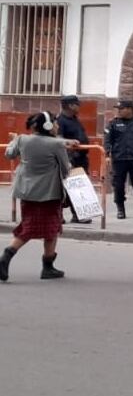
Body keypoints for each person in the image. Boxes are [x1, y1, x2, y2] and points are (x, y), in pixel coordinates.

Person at [0, 113, 75, 282]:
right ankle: (9, 254)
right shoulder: (56, 144)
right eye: (55, 123)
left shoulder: (22, 140)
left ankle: (47, 266)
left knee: (35, 225)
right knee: (48, 228)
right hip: (49, 193)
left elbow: (9, 154)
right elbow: (65, 169)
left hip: (26, 191)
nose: (57, 126)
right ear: (48, 126)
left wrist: (15, 139)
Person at [56, 95, 92, 224]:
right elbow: (58, 140)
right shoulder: (60, 121)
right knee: (63, 189)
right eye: (77, 104)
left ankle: (78, 214)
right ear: (71, 105)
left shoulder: (75, 120)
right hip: (69, 159)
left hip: (80, 159)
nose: (79, 107)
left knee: (78, 188)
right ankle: (57, 215)